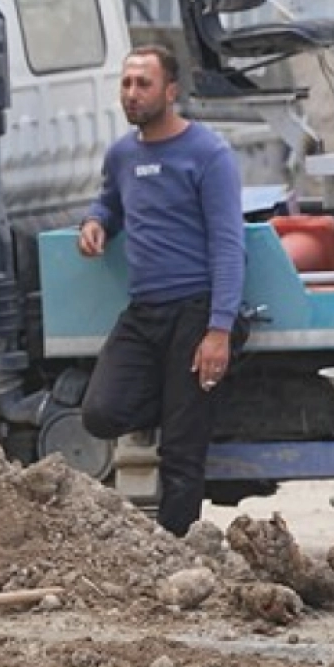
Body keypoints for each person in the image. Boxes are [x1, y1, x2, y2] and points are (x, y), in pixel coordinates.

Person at [78, 44, 245, 538]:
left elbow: (228, 245)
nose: (132, 94)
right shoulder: (123, 153)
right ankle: (179, 404)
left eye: (143, 84)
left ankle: (177, 552)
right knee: (101, 412)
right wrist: (95, 221)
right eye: (126, 84)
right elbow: (109, 199)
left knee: (181, 452)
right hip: (144, 311)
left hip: (194, 311)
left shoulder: (208, 153)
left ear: (171, 91)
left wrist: (219, 330)